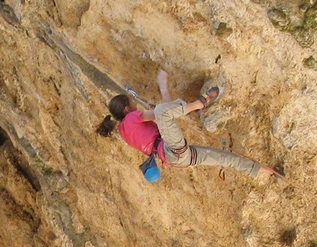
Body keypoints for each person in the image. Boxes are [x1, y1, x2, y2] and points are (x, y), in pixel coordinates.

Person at [96, 70, 282, 181]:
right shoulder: (131, 118)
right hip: (172, 149)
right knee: (161, 111)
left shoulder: (123, 131)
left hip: (176, 157)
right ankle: (200, 104)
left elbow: (167, 110)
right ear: (127, 108)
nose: (135, 105)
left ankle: (270, 172)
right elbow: (162, 112)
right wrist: (162, 85)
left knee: (226, 159)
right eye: (132, 103)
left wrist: (165, 91)